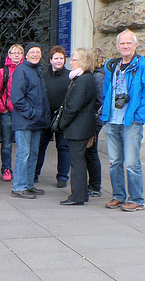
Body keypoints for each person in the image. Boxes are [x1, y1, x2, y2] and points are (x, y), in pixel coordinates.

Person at [102, 29, 145, 212]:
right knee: (114, 162)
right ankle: (118, 196)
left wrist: (138, 118)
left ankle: (136, 199)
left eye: (129, 43)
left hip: (131, 122)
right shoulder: (111, 65)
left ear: (135, 45)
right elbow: (106, 91)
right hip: (112, 120)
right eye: (122, 43)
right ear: (117, 46)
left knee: (132, 163)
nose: (125, 46)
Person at [58, 48, 98, 205]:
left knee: (77, 163)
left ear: (82, 61)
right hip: (81, 127)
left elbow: (73, 106)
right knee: (79, 161)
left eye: (74, 59)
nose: (71, 62)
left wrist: (62, 123)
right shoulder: (83, 78)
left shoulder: (83, 80)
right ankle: (81, 194)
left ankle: (77, 196)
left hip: (78, 128)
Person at [10, 43, 51, 199]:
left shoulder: (37, 71)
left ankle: (28, 185)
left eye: (38, 52)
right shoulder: (22, 70)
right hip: (25, 121)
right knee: (24, 154)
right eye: (32, 52)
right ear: (25, 55)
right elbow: (17, 98)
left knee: (33, 154)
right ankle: (19, 187)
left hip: (36, 121)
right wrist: (32, 113)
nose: (35, 55)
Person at [35, 45, 71, 188]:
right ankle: (35, 173)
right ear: (50, 60)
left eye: (61, 58)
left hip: (62, 117)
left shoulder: (70, 76)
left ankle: (62, 176)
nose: (58, 61)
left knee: (63, 147)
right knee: (40, 147)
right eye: (56, 58)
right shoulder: (43, 76)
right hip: (45, 117)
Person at [0, 44, 24, 182]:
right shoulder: (3, 72)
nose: (16, 55)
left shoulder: (26, 70)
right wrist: (2, 108)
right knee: (7, 143)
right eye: (14, 52)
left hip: (22, 113)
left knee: (22, 143)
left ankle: (21, 169)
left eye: (19, 52)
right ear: (9, 55)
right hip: (7, 112)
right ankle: (6, 168)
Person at [86, 47, 106, 197]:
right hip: (95, 119)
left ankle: (95, 186)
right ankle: (93, 184)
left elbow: (98, 101)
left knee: (91, 152)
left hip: (94, 120)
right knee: (89, 152)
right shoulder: (98, 75)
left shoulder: (97, 77)